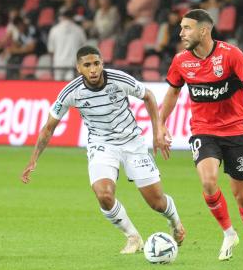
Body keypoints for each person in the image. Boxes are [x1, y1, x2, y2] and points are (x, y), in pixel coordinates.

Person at [21, 45, 186, 254]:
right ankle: (133, 237)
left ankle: (176, 222)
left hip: (132, 142)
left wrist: (157, 131)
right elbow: (48, 127)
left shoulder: (119, 79)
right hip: (101, 144)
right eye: (87, 65)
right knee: (104, 194)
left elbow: (149, 96)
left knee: (156, 202)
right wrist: (34, 159)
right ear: (78, 68)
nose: (93, 69)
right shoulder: (70, 92)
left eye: (96, 63)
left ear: (102, 64)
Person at [157, 9, 243, 261]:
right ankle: (229, 233)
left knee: (242, 194)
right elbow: (173, 93)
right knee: (208, 182)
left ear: (203, 30)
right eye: (181, 28)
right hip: (203, 130)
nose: (181, 33)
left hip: (236, 131)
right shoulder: (180, 61)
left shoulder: (230, 55)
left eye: (187, 28)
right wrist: (161, 124)